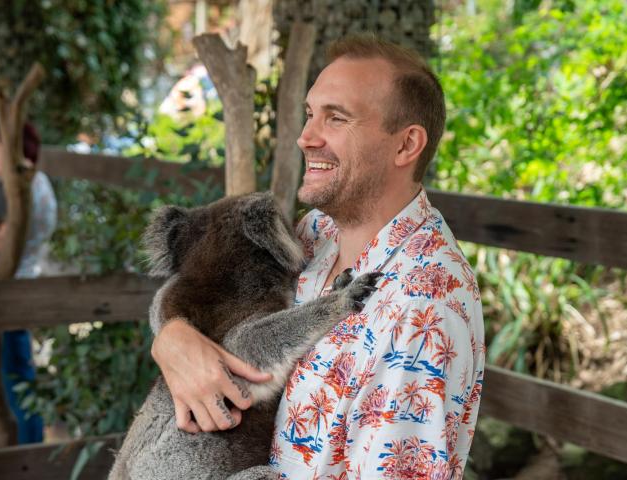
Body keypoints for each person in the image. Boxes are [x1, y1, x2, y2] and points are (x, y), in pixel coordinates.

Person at [152, 34, 485, 478]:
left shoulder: (423, 308)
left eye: (337, 118)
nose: (306, 137)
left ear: (405, 146)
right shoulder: (314, 233)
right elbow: (200, 292)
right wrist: (172, 336)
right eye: (311, 114)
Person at [0, 123, 58, 444]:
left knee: (18, 381)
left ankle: (27, 456)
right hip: (26, 284)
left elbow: (2, 242)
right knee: (19, 378)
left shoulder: (22, 185)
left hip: (13, 292)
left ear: (11, 147)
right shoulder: (40, 181)